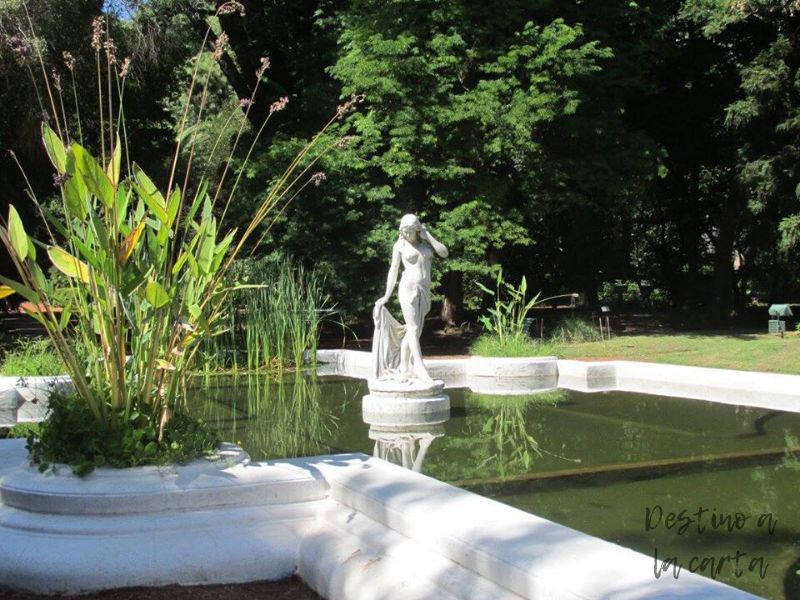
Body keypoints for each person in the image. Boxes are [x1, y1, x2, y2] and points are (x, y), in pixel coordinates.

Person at [373, 214, 448, 383]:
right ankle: (419, 366)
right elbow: (393, 271)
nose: (407, 235)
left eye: (410, 232)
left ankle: (404, 367)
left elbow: (444, 253)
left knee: (414, 331)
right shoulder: (399, 246)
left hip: (424, 291)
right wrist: (386, 295)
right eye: (404, 231)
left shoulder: (427, 244)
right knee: (413, 329)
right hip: (407, 288)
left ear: (417, 230)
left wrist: (427, 235)